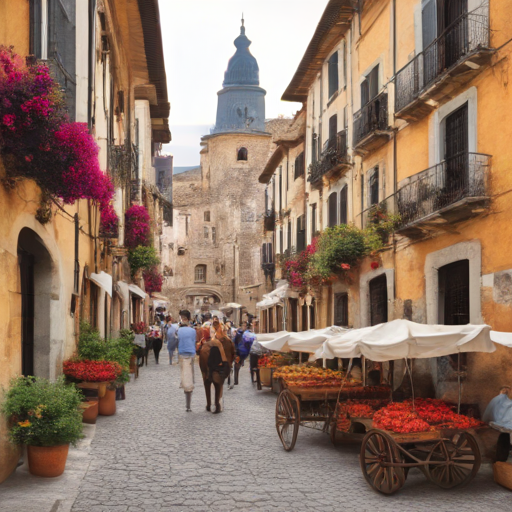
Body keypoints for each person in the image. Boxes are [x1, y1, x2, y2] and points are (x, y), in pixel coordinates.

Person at [177, 310, 197, 412]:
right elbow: (194, 341)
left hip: (183, 354)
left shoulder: (179, 330)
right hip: (191, 354)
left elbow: (176, 339)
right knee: (189, 376)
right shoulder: (193, 331)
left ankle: (188, 405)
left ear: (184, 319)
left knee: (186, 379)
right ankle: (188, 403)